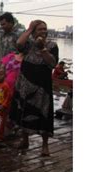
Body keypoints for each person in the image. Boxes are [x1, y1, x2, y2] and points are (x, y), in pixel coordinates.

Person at [10, 20, 58, 156]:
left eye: (45, 29)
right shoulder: (28, 44)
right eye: (39, 29)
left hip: (42, 86)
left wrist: (42, 48)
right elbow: (19, 44)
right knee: (24, 111)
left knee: (44, 113)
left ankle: (45, 145)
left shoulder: (52, 45)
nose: (43, 31)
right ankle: (25, 140)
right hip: (25, 83)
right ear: (33, 32)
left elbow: (53, 64)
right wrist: (30, 28)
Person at [0, 51, 24, 134]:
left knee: (6, 111)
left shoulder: (27, 61)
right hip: (0, 88)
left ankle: (3, 131)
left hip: (14, 89)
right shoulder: (11, 56)